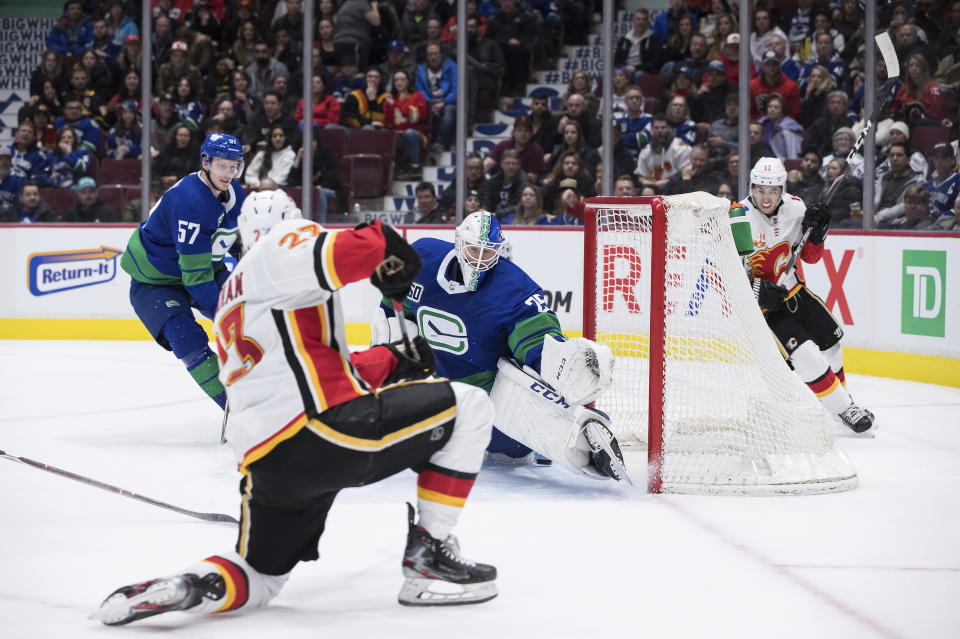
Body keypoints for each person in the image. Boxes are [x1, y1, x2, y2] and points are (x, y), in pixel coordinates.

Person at [92, 191, 500, 625]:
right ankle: (430, 553)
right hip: (319, 431)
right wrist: (393, 255)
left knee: (260, 576)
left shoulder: (234, 293)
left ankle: (189, 586)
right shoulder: (284, 245)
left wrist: (394, 360)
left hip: (265, 463)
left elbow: (312, 371)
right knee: (470, 406)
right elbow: (369, 245)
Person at [372, 211, 625, 478]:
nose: (479, 259)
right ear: (459, 241)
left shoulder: (513, 289)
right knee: (389, 339)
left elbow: (537, 342)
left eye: (488, 252)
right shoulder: (422, 257)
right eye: (473, 249)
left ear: (499, 250)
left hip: (489, 392)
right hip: (434, 381)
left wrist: (562, 364)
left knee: (509, 454)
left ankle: (576, 435)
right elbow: (393, 305)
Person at [739, 157, 874, 435]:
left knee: (832, 344)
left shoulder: (796, 208)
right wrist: (758, 291)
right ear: (751, 187)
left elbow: (811, 257)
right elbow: (723, 271)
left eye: (773, 191)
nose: (766, 198)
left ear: (782, 189)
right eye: (760, 190)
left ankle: (843, 405)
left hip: (795, 291)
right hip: (764, 310)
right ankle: (845, 408)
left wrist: (818, 232)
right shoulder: (738, 218)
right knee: (805, 355)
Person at [119, 133, 247, 411]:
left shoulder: (236, 194)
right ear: (206, 162)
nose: (229, 173)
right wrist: (226, 320)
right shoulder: (190, 202)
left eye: (234, 165)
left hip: (202, 269)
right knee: (186, 339)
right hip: (155, 281)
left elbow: (238, 241)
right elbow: (197, 279)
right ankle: (234, 406)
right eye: (222, 165)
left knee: (249, 314)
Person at [635, 114, 691, 192]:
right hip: (652, 188)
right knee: (647, 191)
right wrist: (649, 184)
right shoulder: (646, 150)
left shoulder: (681, 148)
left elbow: (685, 173)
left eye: (663, 127)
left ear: (669, 128)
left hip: (675, 187)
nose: (660, 130)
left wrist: (666, 183)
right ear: (651, 129)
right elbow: (641, 176)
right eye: (656, 128)